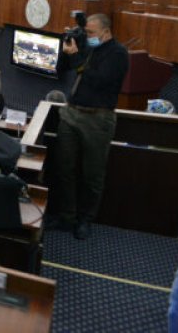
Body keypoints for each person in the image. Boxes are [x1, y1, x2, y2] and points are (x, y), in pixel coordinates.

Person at [48, 13, 128, 240]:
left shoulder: (118, 54)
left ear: (106, 31)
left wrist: (77, 58)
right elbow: (61, 70)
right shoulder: (86, 47)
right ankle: (67, 217)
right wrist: (66, 51)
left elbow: (99, 80)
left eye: (91, 33)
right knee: (65, 169)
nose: (88, 36)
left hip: (98, 119)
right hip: (72, 114)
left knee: (92, 174)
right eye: (86, 32)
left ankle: (85, 219)